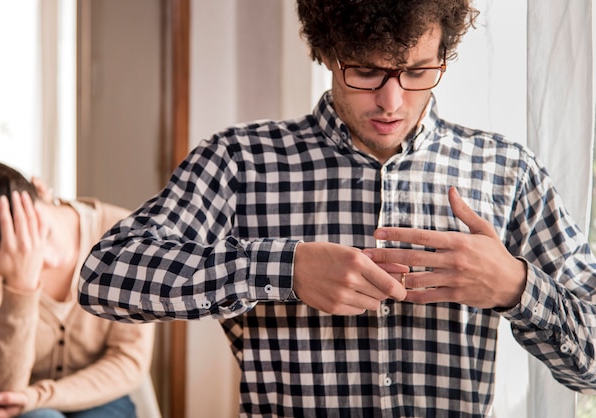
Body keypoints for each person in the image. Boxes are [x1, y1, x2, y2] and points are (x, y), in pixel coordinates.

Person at [79, 0, 596, 416]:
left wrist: (518, 288)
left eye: (418, 71)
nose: (392, 101)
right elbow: (103, 277)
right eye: (367, 71)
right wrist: (283, 268)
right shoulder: (241, 162)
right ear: (328, 52)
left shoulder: (506, 171)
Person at [0, 159, 155, 418]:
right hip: (17, 403)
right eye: (14, 255)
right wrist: (20, 286)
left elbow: (129, 360)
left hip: (99, 397)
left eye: (40, 234)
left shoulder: (125, 236)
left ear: (42, 189)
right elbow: (1, 390)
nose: (42, 259)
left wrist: (39, 396)